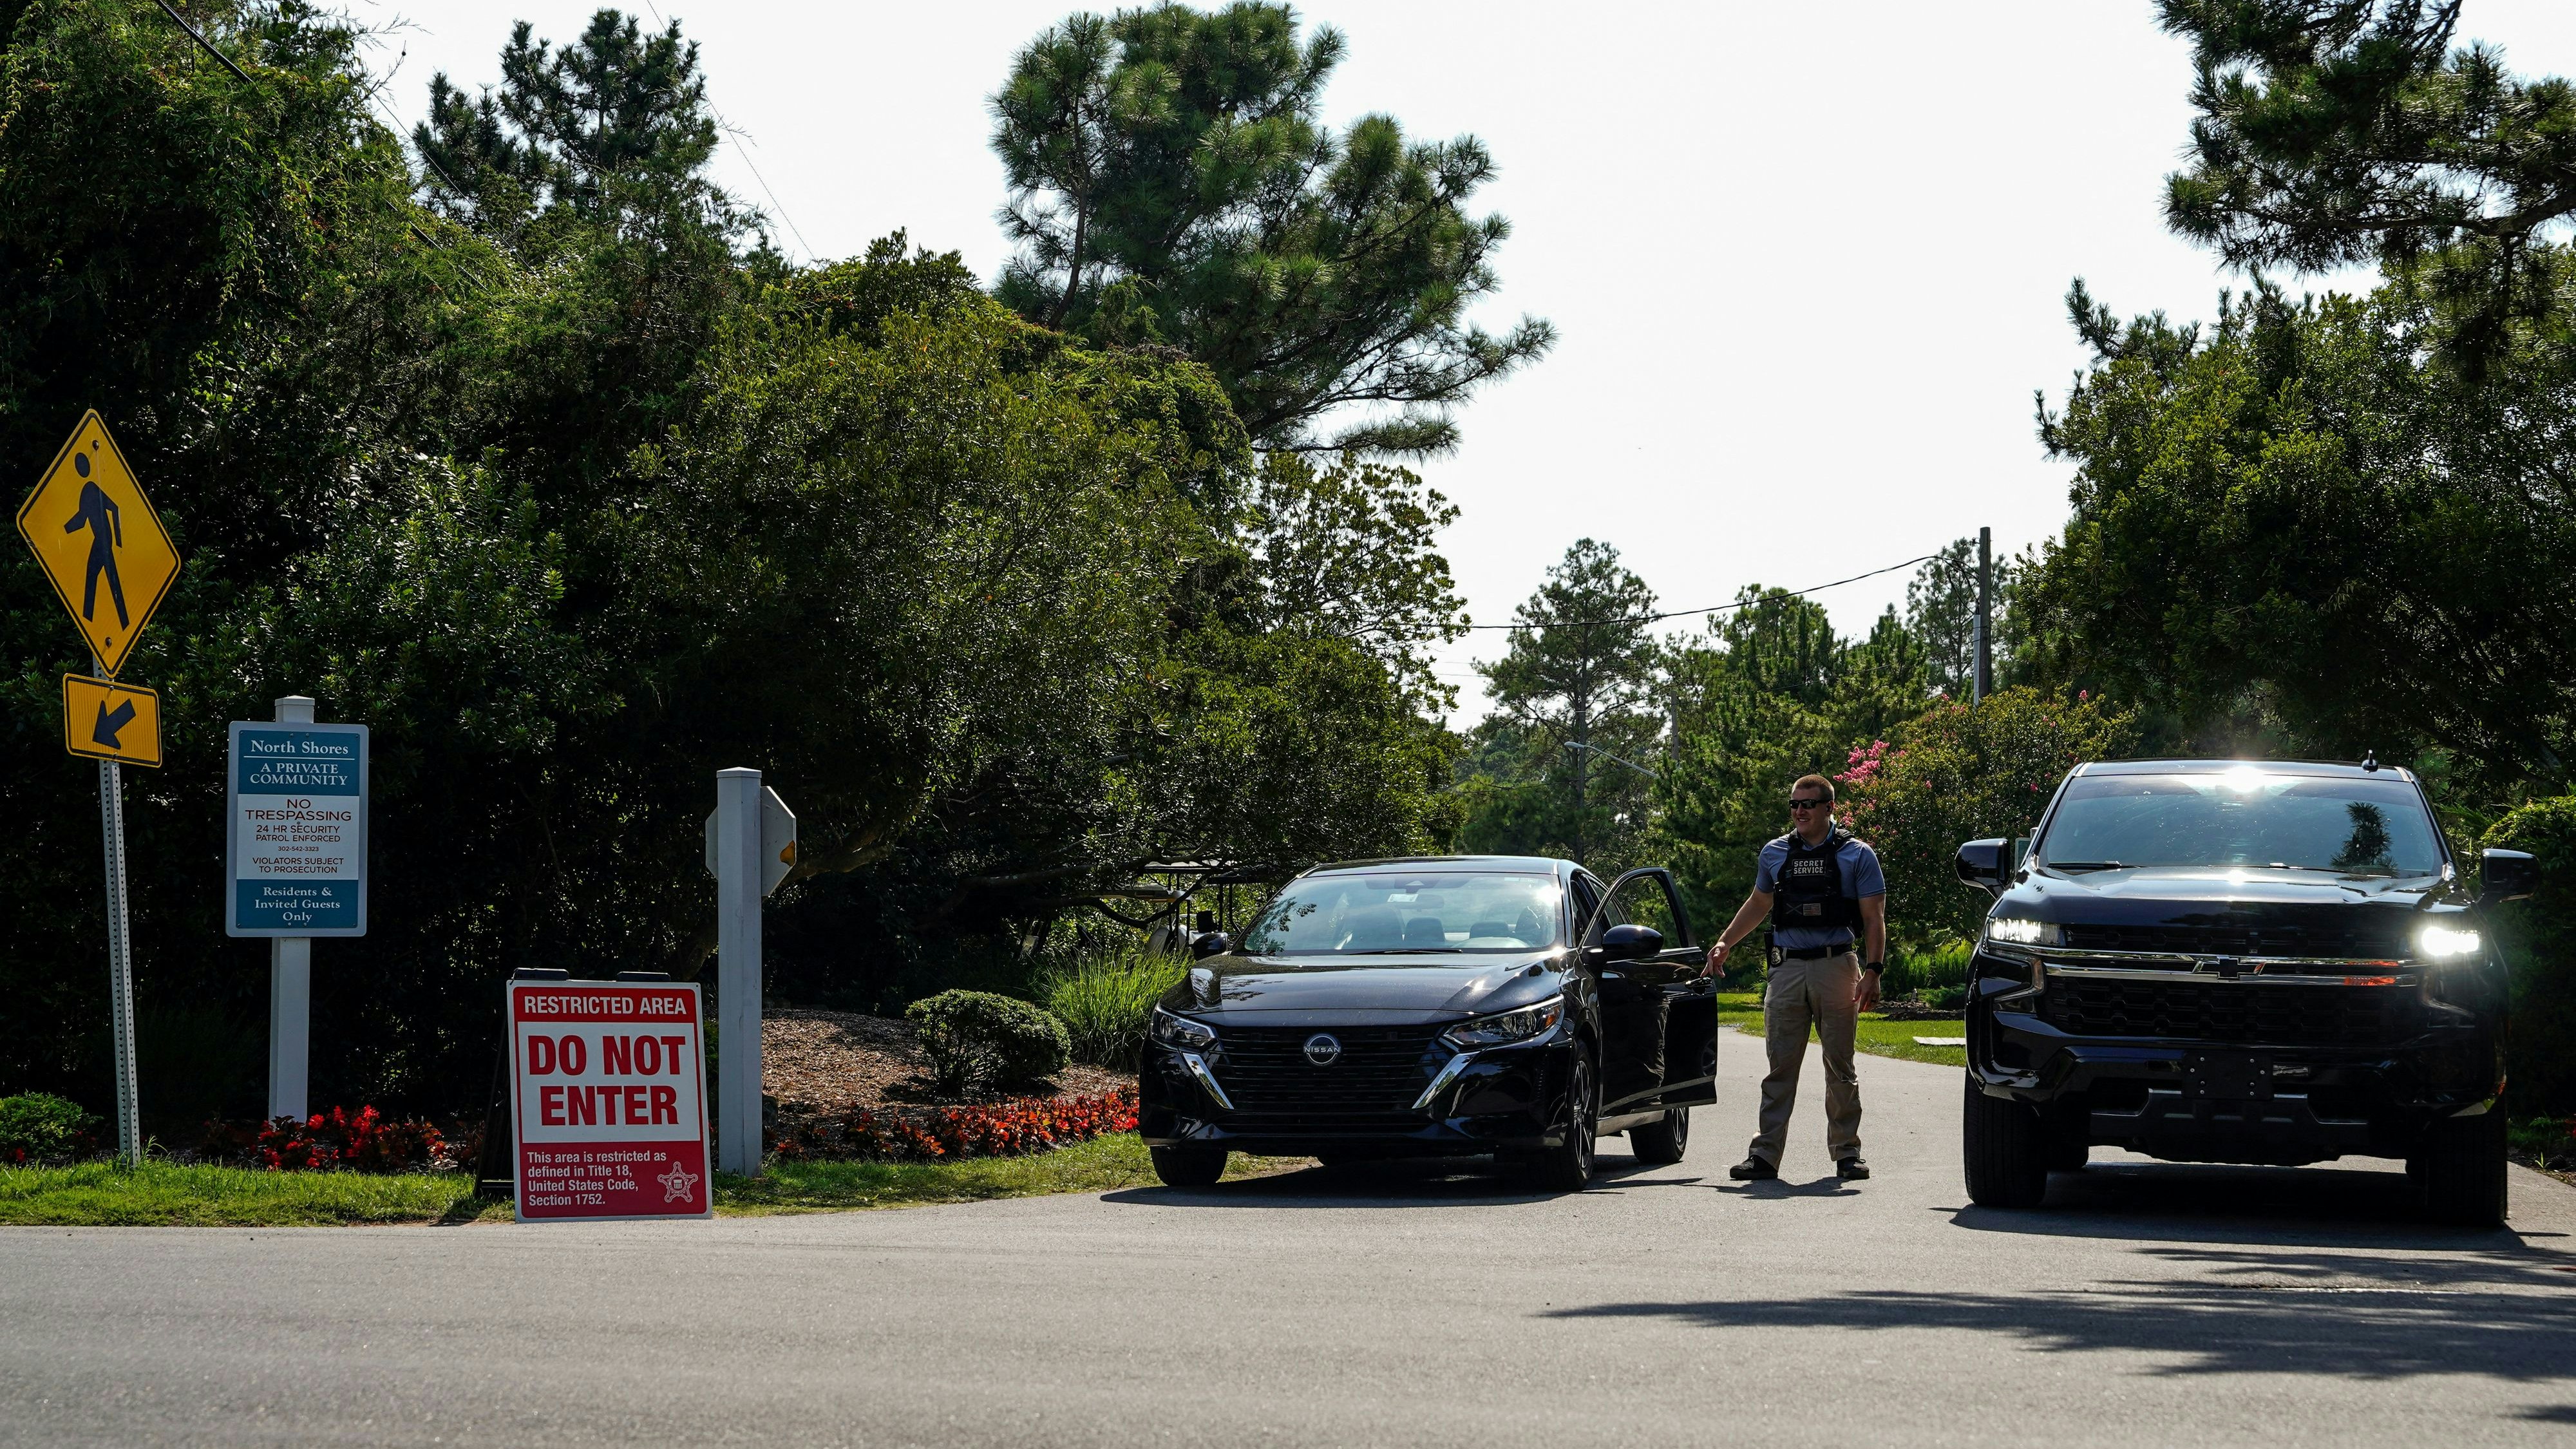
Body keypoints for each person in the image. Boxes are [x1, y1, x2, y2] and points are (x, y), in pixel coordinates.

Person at [1701, 772, 1887, 1182]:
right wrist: (1724, 942)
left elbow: (1874, 917)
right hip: (1786, 969)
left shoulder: (1857, 855)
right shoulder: (1775, 853)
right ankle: (1764, 1156)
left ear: (1829, 808)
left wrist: (1873, 970)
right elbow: (1759, 902)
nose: (1799, 811)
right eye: (1794, 804)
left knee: (1840, 1065)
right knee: (1780, 1066)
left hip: (1837, 965)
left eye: (1808, 803)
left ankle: (1847, 1154)